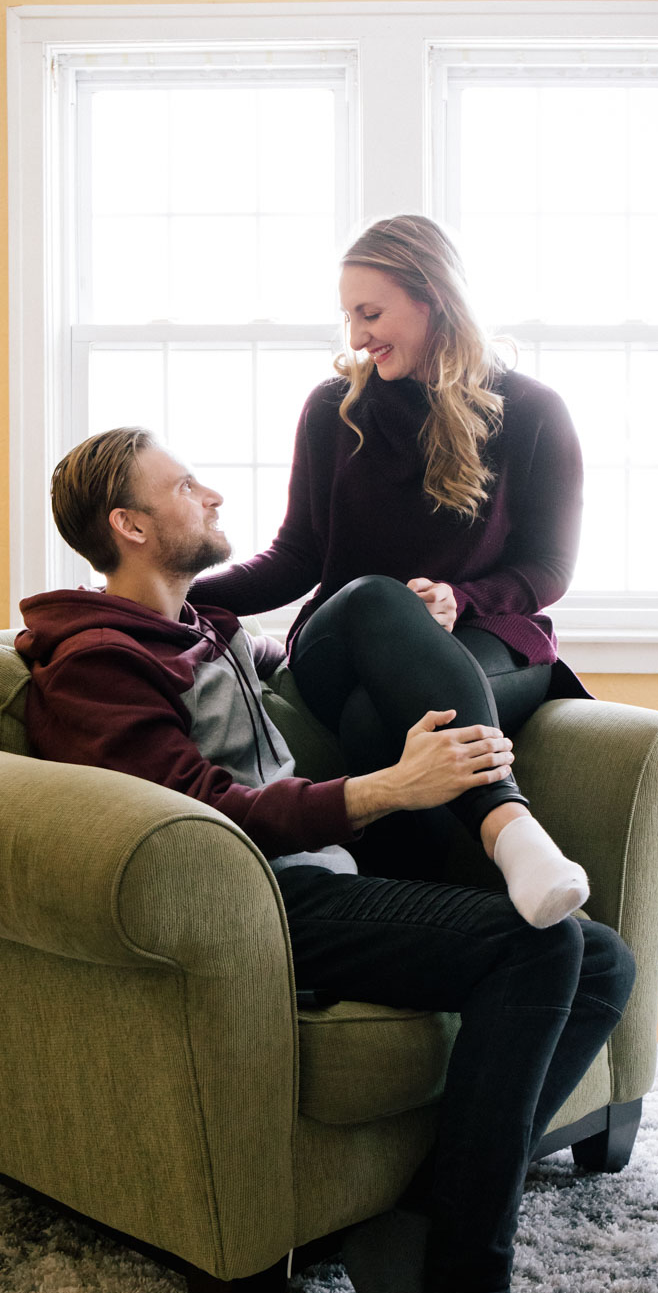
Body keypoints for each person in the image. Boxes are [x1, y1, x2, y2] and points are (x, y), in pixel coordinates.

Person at [16, 426, 636, 1293]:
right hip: (257, 912)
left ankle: (409, 1216)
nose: (210, 493)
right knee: (538, 946)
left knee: (598, 954)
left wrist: (409, 654)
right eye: (183, 485)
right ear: (127, 524)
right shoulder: (92, 666)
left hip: (323, 879)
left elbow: (290, 707)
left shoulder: (204, 630)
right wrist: (387, 787)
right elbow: (200, 813)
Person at [191, 213, 591, 930]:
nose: (354, 337)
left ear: (430, 297)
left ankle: (419, 933)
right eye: (347, 315)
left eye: (369, 313)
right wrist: (164, 593)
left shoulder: (531, 412)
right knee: (376, 598)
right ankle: (509, 828)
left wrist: (458, 598)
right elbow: (297, 558)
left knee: (380, 715)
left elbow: (549, 566)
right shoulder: (332, 410)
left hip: (485, 641)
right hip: (339, 645)